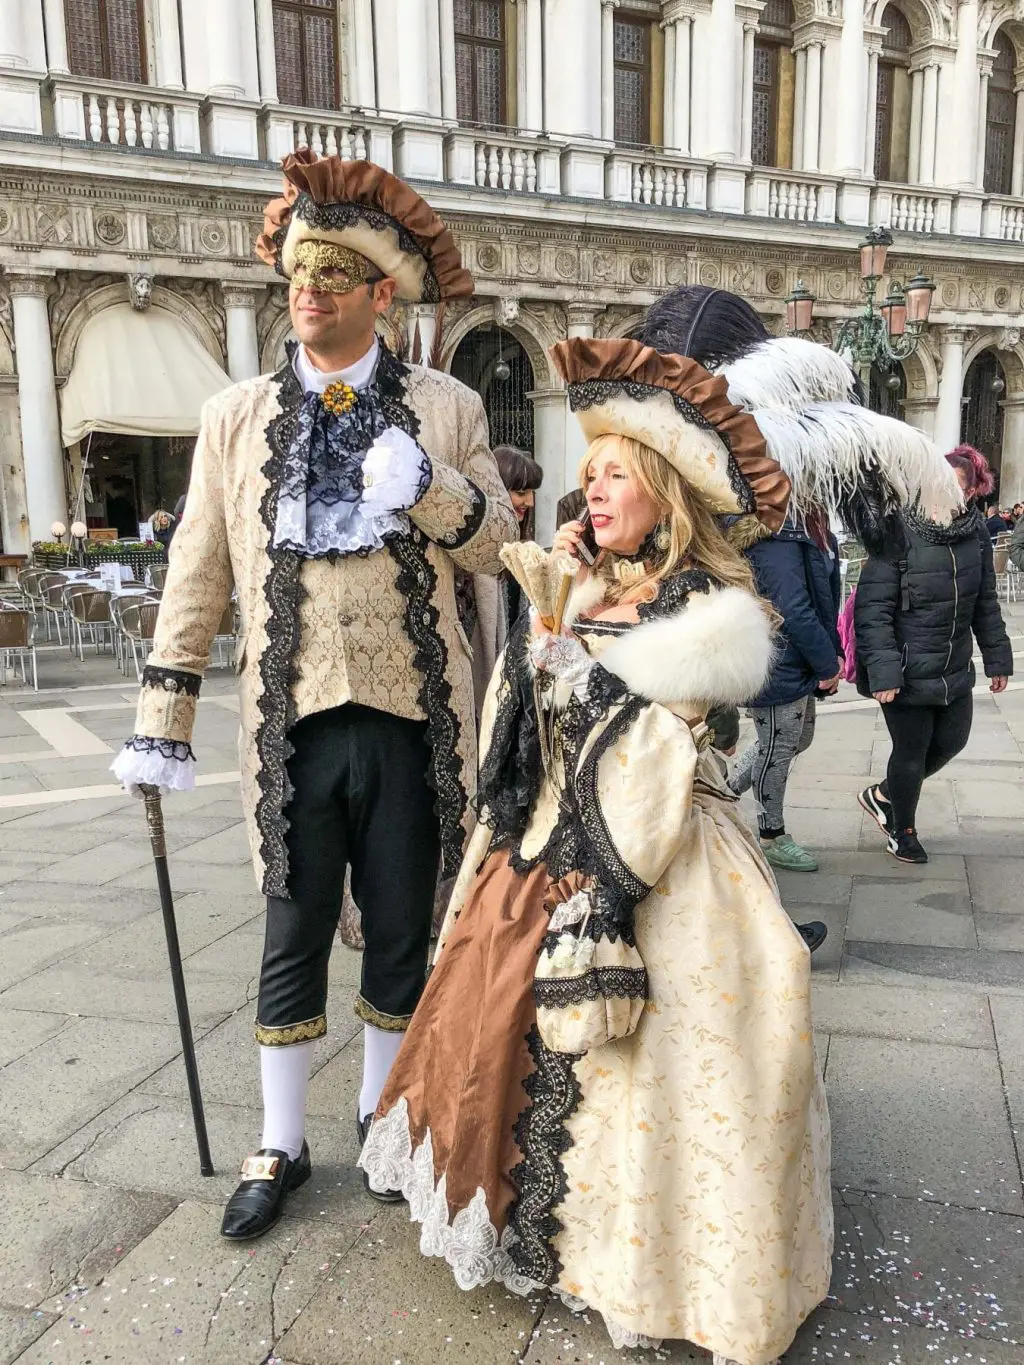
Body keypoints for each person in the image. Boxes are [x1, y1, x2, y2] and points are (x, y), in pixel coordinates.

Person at [361, 335, 833, 1365]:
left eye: (614, 474)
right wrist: (445, 510)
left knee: (699, 1061)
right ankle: (546, 1236)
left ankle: (665, 1269)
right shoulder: (573, 583)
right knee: (489, 1018)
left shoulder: (714, 615)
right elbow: (490, 546)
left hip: (654, 855)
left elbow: (665, 743)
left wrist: (580, 669)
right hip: (536, 839)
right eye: (590, 475)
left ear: (663, 491)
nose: (593, 492)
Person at [111, 150, 517, 1239]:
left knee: (400, 925)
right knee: (288, 932)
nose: (312, 291)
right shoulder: (236, 416)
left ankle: (382, 1119)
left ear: (381, 292)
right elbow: (197, 570)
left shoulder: (446, 406)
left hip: (412, 721)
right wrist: (163, 721)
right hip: (288, 722)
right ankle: (279, 1142)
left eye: (337, 275)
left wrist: (429, 492)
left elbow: (499, 548)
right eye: (301, 273)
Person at [856, 446, 1013, 863]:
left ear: (973, 491)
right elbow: (872, 610)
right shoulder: (897, 532)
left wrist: (997, 658)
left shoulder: (976, 532)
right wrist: (884, 672)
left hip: (954, 665)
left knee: (952, 741)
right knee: (910, 753)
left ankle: (885, 795)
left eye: (961, 488)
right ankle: (902, 830)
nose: (951, 495)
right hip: (906, 667)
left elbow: (985, 602)